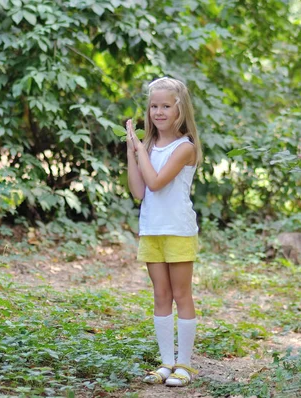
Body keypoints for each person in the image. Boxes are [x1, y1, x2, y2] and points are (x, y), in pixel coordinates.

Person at [126, 77, 202, 387]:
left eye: (165, 106)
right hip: (152, 230)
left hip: (178, 231)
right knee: (160, 295)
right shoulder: (147, 147)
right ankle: (166, 363)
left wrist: (138, 147)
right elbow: (139, 192)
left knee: (181, 295)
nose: (158, 111)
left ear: (179, 110)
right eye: (154, 106)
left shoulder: (185, 147)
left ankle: (184, 364)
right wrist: (133, 150)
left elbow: (157, 181)